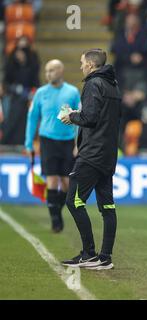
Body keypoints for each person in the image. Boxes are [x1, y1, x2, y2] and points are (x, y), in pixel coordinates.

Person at [60, 49, 121, 270]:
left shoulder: (94, 84)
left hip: (92, 154)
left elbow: (91, 118)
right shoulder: (113, 85)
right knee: (107, 206)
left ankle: (89, 254)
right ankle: (105, 256)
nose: (81, 67)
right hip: (107, 154)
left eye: (82, 63)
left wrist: (72, 116)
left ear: (91, 65)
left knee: (73, 201)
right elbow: (106, 118)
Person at [24, 59, 80, 233]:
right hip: (47, 139)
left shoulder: (72, 92)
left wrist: (78, 143)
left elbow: (80, 118)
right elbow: (32, 118)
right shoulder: (40, 93)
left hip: (67, 141)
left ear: (61, 71)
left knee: (66, 183)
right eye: (47, 71)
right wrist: (28, 143)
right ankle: (55, 219)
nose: (49, 74)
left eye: (52, 70)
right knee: (52, 179)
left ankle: (57, 210)